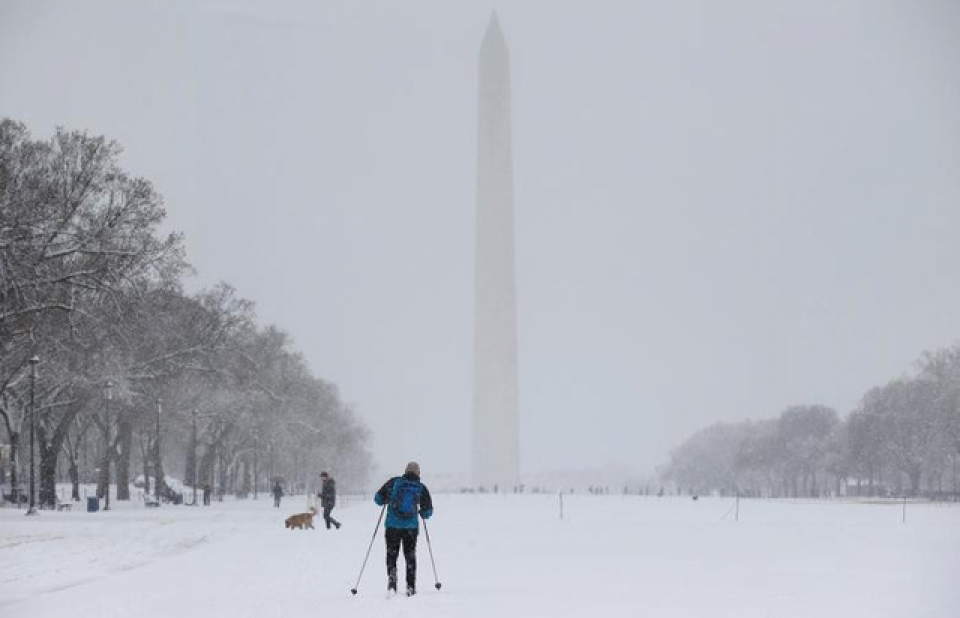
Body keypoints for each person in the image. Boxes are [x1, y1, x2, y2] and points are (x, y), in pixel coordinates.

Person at [374, 461, 433, 596]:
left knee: (391, 554)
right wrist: (422, 513)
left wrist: (387, 498)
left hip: (392, 526)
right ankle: (411, 586)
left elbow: (377, 499)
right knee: (410, 555)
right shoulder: (420, 487)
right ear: (418, 472)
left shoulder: (394, 482)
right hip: (410, 528)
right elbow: (428, 511)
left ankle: (392, 580)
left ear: (405, 471)